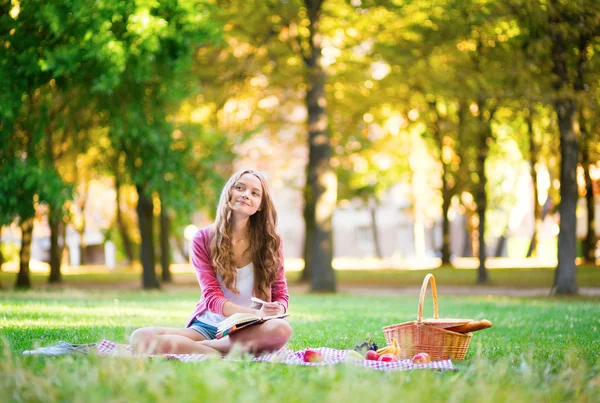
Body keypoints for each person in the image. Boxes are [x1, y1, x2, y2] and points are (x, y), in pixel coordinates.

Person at [129, 169, 292, 355]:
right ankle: (222, 350)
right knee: (140, 337)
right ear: (229, 192)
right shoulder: (203, 238)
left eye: (255, 193)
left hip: (248, 329)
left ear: (261, 205)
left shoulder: (271, 241)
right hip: (206, 326)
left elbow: (280, 292)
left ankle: (207, 350)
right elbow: (212, 298)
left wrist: (278, 307)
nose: (246, 195)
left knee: (282, 328)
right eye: (240, 188)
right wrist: (255, 313)